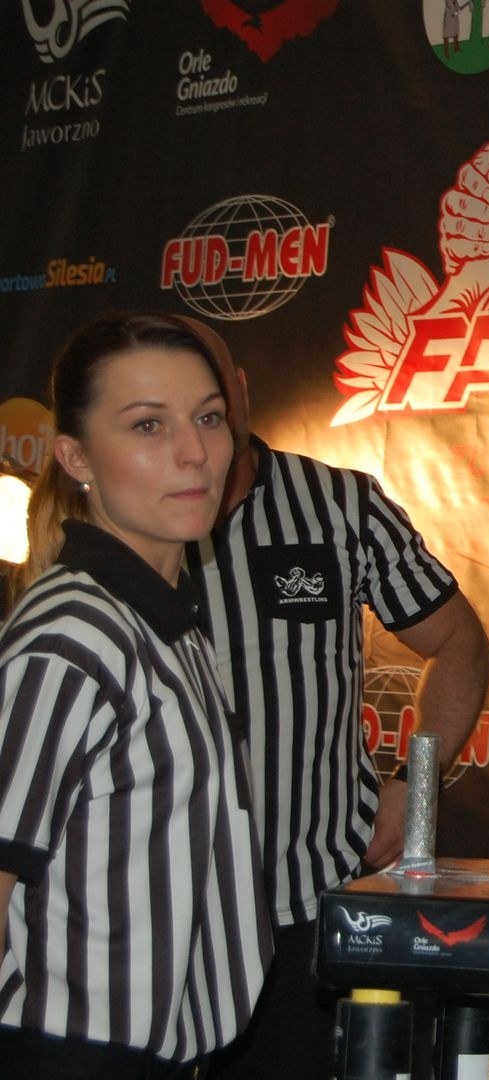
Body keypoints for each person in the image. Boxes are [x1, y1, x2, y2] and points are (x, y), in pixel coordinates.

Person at [184, 319, 489, 1079]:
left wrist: (413, 789)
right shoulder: (122, 523)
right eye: (165, 411)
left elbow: (461, 642)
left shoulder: (338, 504)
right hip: (152, 914)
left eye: (212, 397)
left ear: (242, 390)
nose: (199, 425)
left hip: (307, 908)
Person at [0, 313, 271, 1076]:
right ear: (75, 456)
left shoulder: (158, 619)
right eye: (148, 425)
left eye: (208, 418)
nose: (194, 452)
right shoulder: (72, 635)